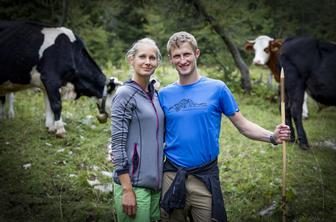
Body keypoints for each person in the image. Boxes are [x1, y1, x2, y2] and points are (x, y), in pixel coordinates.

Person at [158, 31, 291, 222]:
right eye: (177, 56)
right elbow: (154, 133)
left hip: (205, 176)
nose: (182, 60)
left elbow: (243, 125)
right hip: (171, 176)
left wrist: (272, 136)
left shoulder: (217, 88)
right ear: (171, 59)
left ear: (196, 53)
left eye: (186, 54)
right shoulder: (164, 95)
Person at [110, 38, 164, 222]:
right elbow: (117, 143)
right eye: (142, 57)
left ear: (158, 62)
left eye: (152, 57)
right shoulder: (125, 94)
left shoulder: (155, 94)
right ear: (131, 59)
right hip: (133, 186)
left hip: (155, 186)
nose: (147, 62)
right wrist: (127, 190)